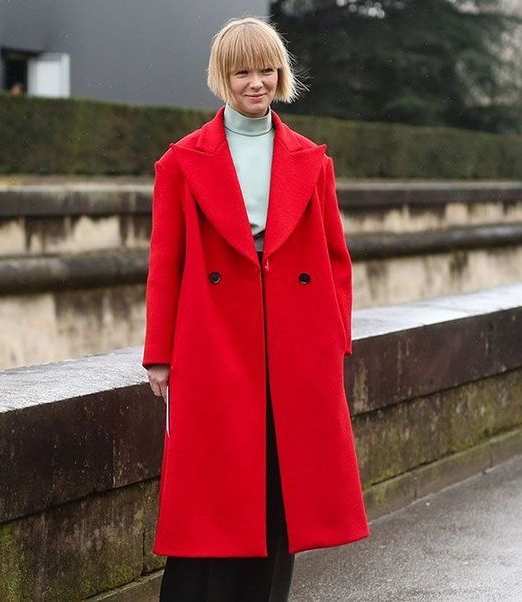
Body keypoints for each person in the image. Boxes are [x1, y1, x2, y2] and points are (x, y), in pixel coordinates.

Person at [142, 16, 369, 601]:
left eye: (266, 70)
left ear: (280, 73)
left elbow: (335, 259)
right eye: (242, 71)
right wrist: (159, 355)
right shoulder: (181, 162)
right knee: (216, 488)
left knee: (282, 487)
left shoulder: (311, 160)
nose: (256, 82)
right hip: (215, 339)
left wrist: (334, 340)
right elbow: (166, 264)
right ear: (223, 77)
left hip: (295, 341)